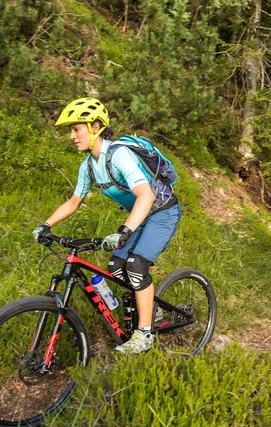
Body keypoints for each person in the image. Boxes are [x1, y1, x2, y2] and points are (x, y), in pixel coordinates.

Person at [32, 98, 181, 354]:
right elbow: (73, 202)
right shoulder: (88, 166)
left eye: (76, 129)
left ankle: (145, 335)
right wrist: (46, 225)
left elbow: (146, 195)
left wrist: (124, 232)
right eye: (71, 130)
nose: (71, 136)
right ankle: (151, 311)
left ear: (96, 126)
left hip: (162, 211)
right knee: (116, 267)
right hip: (140, 213)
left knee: (135, 267)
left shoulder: (119, 155)